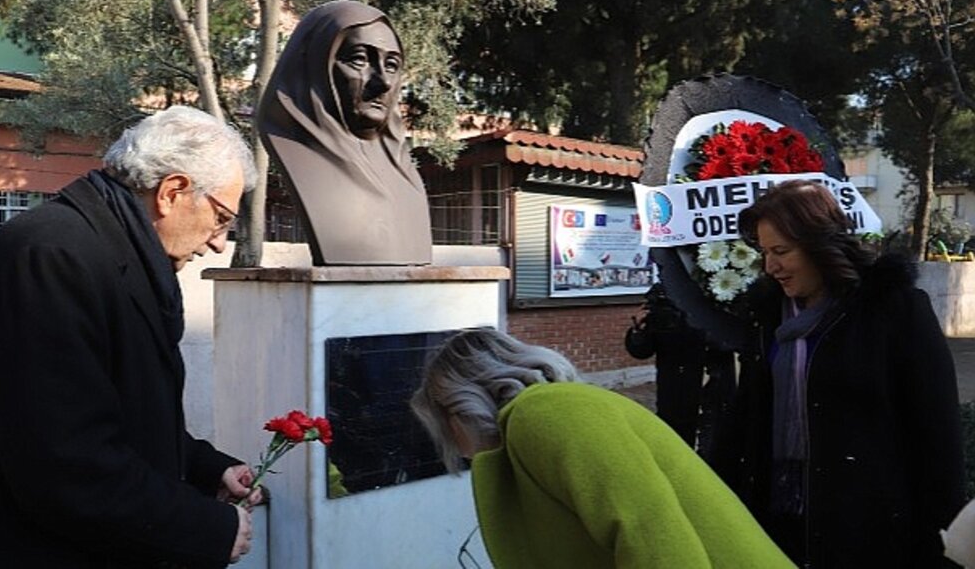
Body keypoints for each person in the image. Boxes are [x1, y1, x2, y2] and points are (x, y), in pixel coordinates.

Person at [0, 106, 264, 567]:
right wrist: (206, 527)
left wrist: (206, 467)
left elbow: (120, 414)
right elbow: (65, 466)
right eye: (221, 218)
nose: (219, 242)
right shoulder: (51, 257)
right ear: (173, 192)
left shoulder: (109, 250)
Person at [715, 179, 966, 568]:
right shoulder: (767, 317)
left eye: (781, 251)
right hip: (776, 520)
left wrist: (940, 543)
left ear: (820, 245)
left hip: (868, 531)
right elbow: (746, 416)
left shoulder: (893, 309)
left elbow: (937, 431)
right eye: (764, 252)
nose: (770, 266)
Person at [411, 328, 795, 569]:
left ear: (458, 408)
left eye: (442, 428)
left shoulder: (547, 412)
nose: (455, 449)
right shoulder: (533, 427)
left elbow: (650, 531)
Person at [258, 0, 432, 266]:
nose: (384, 82)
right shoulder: (297, 151)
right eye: (359, 59)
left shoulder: (405, 176)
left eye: (392, 65)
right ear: (315, 66)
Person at [625, 282, 735, 459]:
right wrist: (639, 330)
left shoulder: (718, 289)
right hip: (674, 389)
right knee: (675, 448)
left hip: (712, 385)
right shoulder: (663, 295)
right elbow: (641, 350)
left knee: (713, 446)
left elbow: (729, 341)